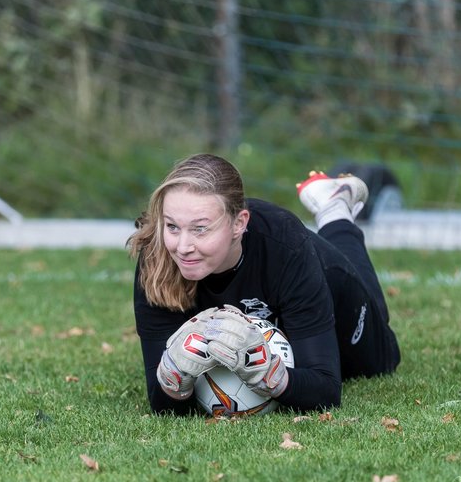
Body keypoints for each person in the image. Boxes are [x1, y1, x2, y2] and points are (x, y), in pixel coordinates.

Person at [128, 153, 401, 414]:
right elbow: (161, 404)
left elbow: (326, 391)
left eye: (200, 228)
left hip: (330, 278)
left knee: (381, 357)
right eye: (172, 226)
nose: (183, 246)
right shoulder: (157, 258)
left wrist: (272, 376)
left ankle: (334, 209)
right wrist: (173, 376)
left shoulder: (286, 247)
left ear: (238, 224)